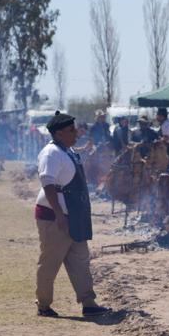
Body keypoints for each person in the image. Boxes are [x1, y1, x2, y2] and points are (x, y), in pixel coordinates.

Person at [33, 112, 110, 318]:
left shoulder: (67, 151)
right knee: (51, 261)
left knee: (80, 260)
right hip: (54, 217)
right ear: (58, 133)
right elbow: (48, 184)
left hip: (73, 216)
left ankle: (89, 303)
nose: (76, 133)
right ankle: (43, 305)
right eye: (71, 130)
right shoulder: (51, 153)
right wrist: (59, 215)